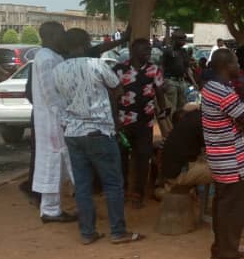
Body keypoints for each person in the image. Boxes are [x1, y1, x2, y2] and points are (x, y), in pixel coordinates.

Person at [53, 28, 145, 244]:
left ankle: (87, 232)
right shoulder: (97, 64)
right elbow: (118, 89)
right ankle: (118, 231)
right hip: (99, 131)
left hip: (73, 133)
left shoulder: (57, 70)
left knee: (83, 186)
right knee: (112, 183)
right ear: (86, 43)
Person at [200, 49, 244, 259]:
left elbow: (240, 113)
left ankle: (221, 248)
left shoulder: (213, 88)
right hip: (231, 159)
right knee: (232, 209)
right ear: (227, 65)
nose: (239, 66)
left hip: (221, 157)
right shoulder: (222, 92)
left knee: (222, 206)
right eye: (235, 62)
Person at [32, 22, 78, 223]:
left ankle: (52, 208)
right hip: (53, 119)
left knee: (58, 162)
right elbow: (50, 94)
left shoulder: (52, 56)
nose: (64, 37)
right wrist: (65, 117)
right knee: (54, 161)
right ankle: (50, 210)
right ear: (50, 36)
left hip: (55, 117)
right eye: (61, 34)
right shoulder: (46, 59)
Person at [113, 38, 167, 208]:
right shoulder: (119, 70)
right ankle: (121, 192)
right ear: (133, 51)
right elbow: (113, 96)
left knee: (143, 158)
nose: (148, 52)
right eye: (144, 49)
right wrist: (115, 120)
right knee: (121, 158)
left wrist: (163, 112)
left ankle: (138, 194)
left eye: (149, 49)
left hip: (145, 122)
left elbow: (159, 93)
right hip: (123, 122)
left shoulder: (154, 69)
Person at [159, 108, 212, 192]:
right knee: (228, 170)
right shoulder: (204, 120)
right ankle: (215, 204)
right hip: (178, 173)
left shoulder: (192, 116)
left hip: (172, 170)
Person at [162, 31, 196, 115]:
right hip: (170, 81)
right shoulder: (168, 51)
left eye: (184, 39)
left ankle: (179, 124)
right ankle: (171, 125)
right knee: (171, 106)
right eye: (181, 39)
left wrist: (193, 82)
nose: (183, 41)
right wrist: (162, 82)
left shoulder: (183, 52)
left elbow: (187, 68)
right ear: (174, 39)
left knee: (182, 106)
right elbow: (162, 66)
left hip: (182, 81)